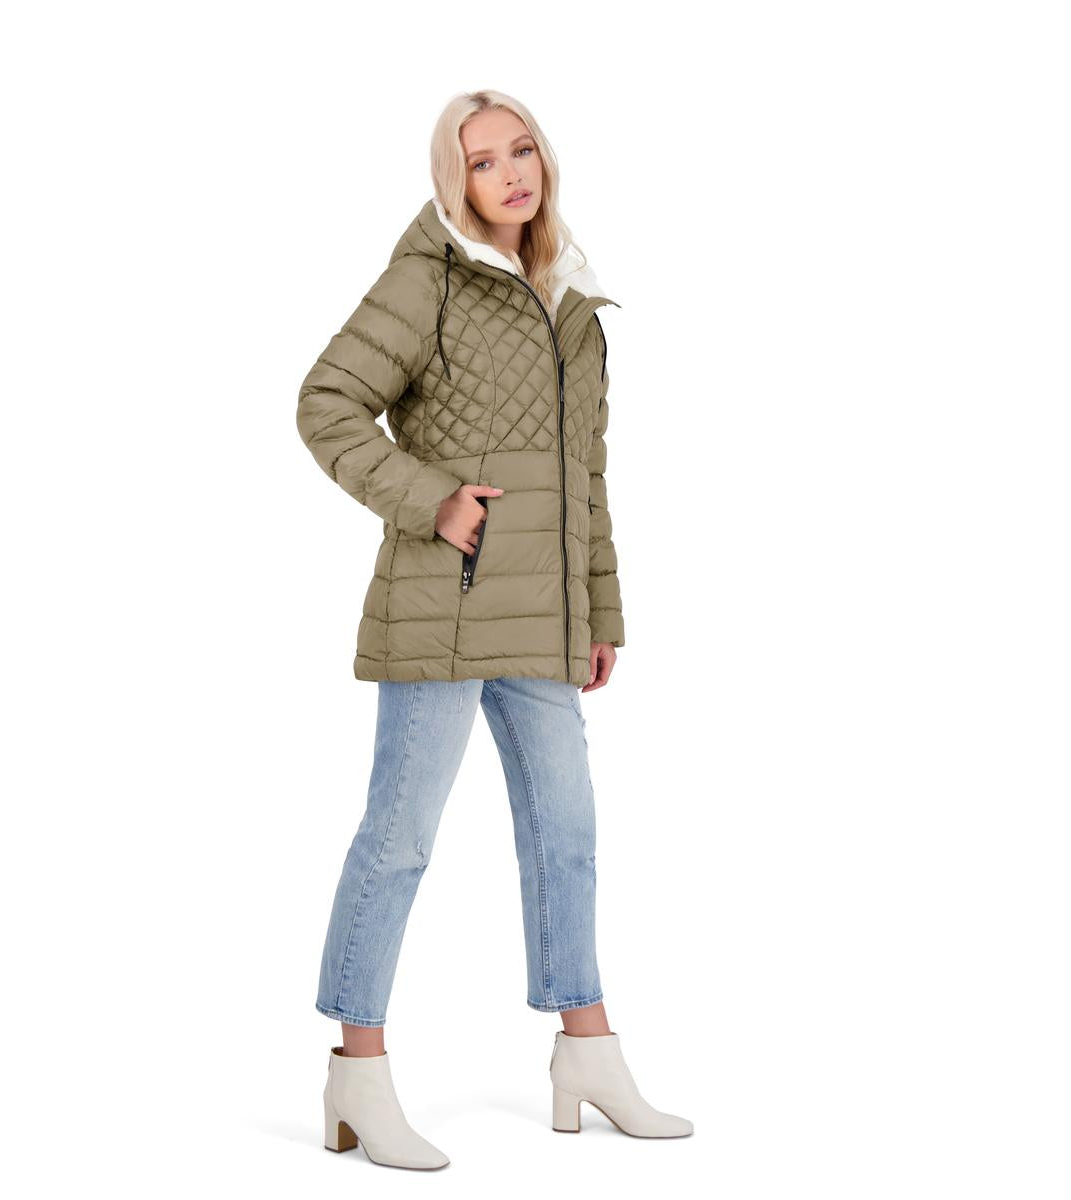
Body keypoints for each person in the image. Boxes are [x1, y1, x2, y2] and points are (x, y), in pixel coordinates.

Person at [297, 89, 692, 1170]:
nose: (510, 173)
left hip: (545, 618)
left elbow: (586, 478)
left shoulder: (572, 299)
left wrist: (601, 611)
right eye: (482, 161)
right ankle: (358, 1072)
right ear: (454, 179)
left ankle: (588, 1053)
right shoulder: (426, 279)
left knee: (568, 835)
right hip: (445, 610)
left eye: (522, 150)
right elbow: (326, 403)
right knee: (399, 840)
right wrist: (432, 500)